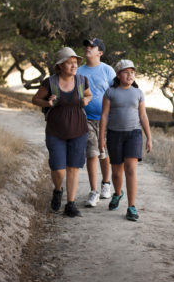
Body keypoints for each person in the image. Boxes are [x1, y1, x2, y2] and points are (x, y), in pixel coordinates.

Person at [32, 47, 92, 217]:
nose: (74, 66)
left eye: (75, 63)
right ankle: (58, 190)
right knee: (58, 169)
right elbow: (35, 99)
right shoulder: (49, 83)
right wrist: (48, 104)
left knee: (73, 168)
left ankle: (70, 204)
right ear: (60, 66)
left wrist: (86, 99)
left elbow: (89, 95)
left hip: (79, 130)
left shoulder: (82, 81)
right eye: (69, 63)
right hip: (55, 131)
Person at [99, 59, 152, 221]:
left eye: (132, 73)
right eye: (126, 72)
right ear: (118, 74)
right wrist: (101, 138)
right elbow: (104, 115)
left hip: (134, 134)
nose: (130, 75)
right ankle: (117, 193)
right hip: (114, 135)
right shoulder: (110, 92)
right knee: (116, 172)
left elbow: (143, 116)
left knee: (130, 169)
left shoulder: (138, 93)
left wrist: (149, 137)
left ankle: (131, 207)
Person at [77, 38, 116, 207]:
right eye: (87, 46)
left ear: (100, 52)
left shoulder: (107, 70)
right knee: (91, 153)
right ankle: (94, 192)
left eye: (92, 47)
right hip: (85, 118)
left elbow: (115, 93)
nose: (88, 48)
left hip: (105, 120)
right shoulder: (78, 71)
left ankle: (106, 183)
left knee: (103, 152)